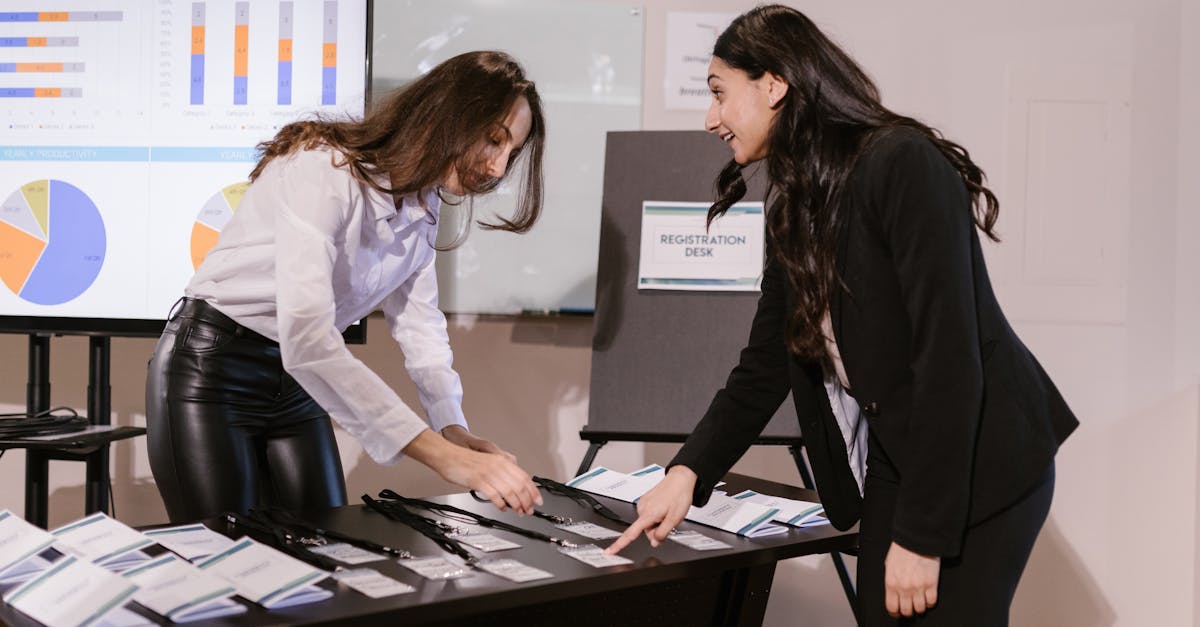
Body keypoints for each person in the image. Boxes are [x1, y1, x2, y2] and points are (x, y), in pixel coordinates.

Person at [603, 6, 1078, 625]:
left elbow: (949, 358)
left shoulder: (901, 163)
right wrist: (687, 472)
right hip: (899, 451)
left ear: (773, 84)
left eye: (720, 94)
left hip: (983, 453)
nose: (710, 118)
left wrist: (925, 537)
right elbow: (764, 365)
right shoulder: (794, 204)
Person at [146, 51, 545, 523]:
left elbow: (420, 327)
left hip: (295, 381)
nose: (498, 169)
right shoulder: (322, 171)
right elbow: (310, 340)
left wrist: (453, 428)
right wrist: (444, 458)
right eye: (494, 141)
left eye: (511, 153)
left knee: (327, 549)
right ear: (448, 112)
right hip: (211, 369)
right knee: (225, 562)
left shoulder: (424, 203)